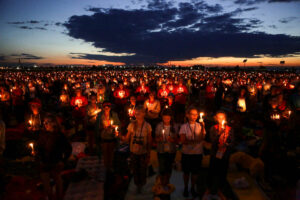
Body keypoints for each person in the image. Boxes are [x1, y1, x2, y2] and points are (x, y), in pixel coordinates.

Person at [36, 113, 72, 200]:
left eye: (47, 122)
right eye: (44, 123)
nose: (45, 125)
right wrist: (36, 153)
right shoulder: (43, 134)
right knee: (46, 184)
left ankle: (59, 197)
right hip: (44, 162)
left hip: (55, 162)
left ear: (54, 123)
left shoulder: (59, 136)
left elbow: (68, 149)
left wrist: (63, 160)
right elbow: (39, 147)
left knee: (58, 180)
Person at [122, 105, 152, 194]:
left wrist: (149, 153)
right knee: (135, 169)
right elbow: (127, 139)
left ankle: (141, 185)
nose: (137, 114)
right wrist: (120, 136)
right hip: (134, 152)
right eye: (136, 113)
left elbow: (149, 141)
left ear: (144, 114)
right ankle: (137, 185)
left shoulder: (147, 126)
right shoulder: (131, 125)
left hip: (143, 152)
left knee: (143, 170)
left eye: (140, 113)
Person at [179, 106, 206, 197]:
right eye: (192, 114)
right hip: (186, 153)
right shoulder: (184, 127)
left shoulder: (200, 126)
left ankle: (193, 187)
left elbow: (202, 138)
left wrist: (203, 127)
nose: (194, 116)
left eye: (196, 114)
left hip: (197, 153)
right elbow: (183, 141)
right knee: (186, 172)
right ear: (188, 115)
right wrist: (195, 141)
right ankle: (186, 187)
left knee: (195, 172)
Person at [207, 111, 234, 199]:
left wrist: (226, 144)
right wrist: (219, 134)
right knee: (212, 171)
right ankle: (209, 189)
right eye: (219, 117)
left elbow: (232, 141)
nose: (221, 119)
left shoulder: (229, 129)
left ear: (225, 119)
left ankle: (220, 190)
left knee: (222, 172)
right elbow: (212, 140)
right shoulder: (213, 128)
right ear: (216, 119)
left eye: (222, 117)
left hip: (225, 155)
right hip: (215, 154)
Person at [95, 101, 120, 172]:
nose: (106, 108)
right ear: (103, 108)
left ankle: (111, 166)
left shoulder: (114, 115)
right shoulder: (100, 116)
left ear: (110, 107)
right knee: (105, 153)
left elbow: (118, 125)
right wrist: (103, 127)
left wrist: (114, 127)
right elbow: (97, 127)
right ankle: (106, 167)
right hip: (104, 137)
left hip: (112, 137)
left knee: (111, 153)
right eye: (105, 107)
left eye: (108, 106)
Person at [155, 109, 178, 187]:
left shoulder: (174, 126)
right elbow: (156, 138)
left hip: (171, 150)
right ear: (162, 118)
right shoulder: (159, 126)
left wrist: (172, 140)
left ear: (171, 118)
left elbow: (177, 139)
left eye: (168, 118)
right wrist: (159, 139)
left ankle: (167, 182)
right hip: (161, 150)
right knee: (162, 168)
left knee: (169, 167)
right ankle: (162, 183)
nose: (166, 120)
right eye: (164, 118)